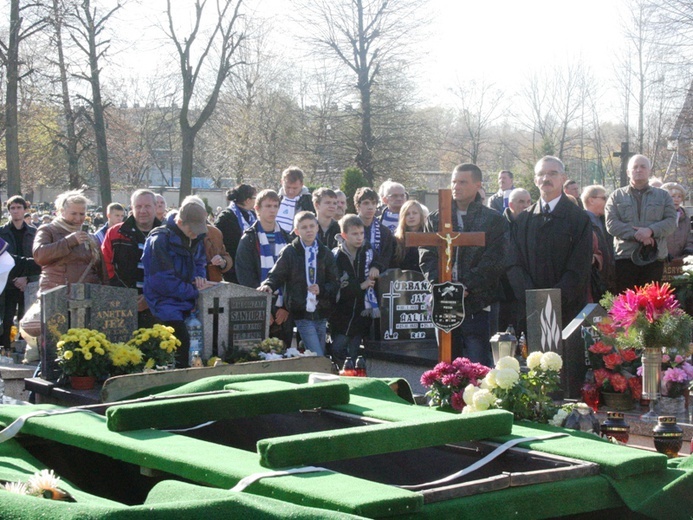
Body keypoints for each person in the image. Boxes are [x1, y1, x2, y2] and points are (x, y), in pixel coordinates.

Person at [420, 163, 508, 366]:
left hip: (477, 301)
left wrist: (466, 286)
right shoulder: (436, 219)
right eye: (453, 182)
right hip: (444, 300)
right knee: (447, 363)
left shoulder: (492, 220)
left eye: (462, 182)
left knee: (478, 362)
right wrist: (440, 285)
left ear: (478, 185)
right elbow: (427, 255)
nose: (456, 186)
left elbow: (495, 259)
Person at [508, 156, 592, 329]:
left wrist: (555, 298)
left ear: (563, 178)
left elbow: (580, 265)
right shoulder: (523, 220)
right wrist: (532, 297)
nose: (546, 178)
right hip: (530, 309)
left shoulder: (578, 218)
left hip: (567, 309)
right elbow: (514, 263)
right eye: (541, 174)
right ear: (535, 180)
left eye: (553, 173)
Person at [142, 195, 216, 367]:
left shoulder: (194, 237)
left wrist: (200, 278)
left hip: (187, 303)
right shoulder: (159, 241)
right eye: (193, 229)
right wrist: (194, 290)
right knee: (180, 353)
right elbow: (162, 282)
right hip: (165, 305)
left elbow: (199, 262)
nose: (196, 233)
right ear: (180, 222)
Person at [258, 211, 338, 356]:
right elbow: (277, 273)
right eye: (304, 227)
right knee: (318, 355)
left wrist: (322, 290)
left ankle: (306, 359)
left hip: (321, 309)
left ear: (317, 228)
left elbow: (334, 282)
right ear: (296, 231)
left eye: (311, 226)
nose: (309, 230)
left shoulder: (325, 253)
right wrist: (269, 284)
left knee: (317, 353)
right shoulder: (290, 251)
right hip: (301, 310)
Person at [605, 154, 677, 293]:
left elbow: (671, 222)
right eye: (635, 167)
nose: (639, 170)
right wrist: (638, 235)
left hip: (654, 257)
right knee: (626, 305)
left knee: (652, 305)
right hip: (625, 258)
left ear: (649, 170)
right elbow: (611, 223)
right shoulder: (616, 196)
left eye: (643, 166)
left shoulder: (663, 196)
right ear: (628, 172)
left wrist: (650, 231)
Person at [236, 190, 293, 348]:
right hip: (258, 307)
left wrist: (285, 307)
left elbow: (293, 275)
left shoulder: (287, 238)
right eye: (268, 206)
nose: (272, 210)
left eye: (276, 206)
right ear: (257, 209)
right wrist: (262, 309)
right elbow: (245, 277)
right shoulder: (249, 239)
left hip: (284, 308)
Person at [101, 189, 162, 328]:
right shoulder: (115, 233)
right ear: (131, 208)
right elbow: (106, 266)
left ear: (155, 207)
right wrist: (126, 296)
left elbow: (172, 271)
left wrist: (150, 297)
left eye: (147, 206)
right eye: (138, 206)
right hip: (121, 303)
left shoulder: (166, 234)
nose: (142, 211)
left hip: (157, 305)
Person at [33, 190, 106, 295]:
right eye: (73, 213)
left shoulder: (90, 237)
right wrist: (69, 242)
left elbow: (101, 269)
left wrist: (105, 292)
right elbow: (39, 255)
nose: (78, 218)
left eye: (82, 214)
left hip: (88, 295)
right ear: (62, 211)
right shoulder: (48, 230)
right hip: (57, 295)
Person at [330, 214, 375, 362]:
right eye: (354, 234)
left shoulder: (367, 251)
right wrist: (361, 286)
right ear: (344, 235)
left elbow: (380, 260)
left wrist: (376, 267)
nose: (359, 237)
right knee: (337, 349)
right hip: (342, 314)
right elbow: (337, 288)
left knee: (354, 354)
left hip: (361, 314)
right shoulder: (337, 256)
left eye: (361, 233)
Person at [0, 196, 41, 349]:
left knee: (28, 318)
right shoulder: (1, 233)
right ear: (9, 210)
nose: (16, 211)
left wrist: (27, 278)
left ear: (25, 210)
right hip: (8, 283)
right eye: (13, 208)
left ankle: (26, 348)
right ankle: (5, 347)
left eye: (19, 208)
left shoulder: (34, 232)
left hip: (29, 283)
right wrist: (13, 279)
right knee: (7, 317)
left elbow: (37, 258)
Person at [214, 184, 257, 283]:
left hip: (251, 266)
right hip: (233, 268)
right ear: (248, 200)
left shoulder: (253, 215)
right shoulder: (226, 217)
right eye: (255, 197)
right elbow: (216, 240)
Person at [582, 185, 615, 296]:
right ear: (591, 200)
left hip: (608, 278)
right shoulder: (582, 222)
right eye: (604, 197)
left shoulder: (605, 221)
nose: (608, 200)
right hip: (593, 281)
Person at [354, 187, 395, 271]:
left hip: (378, 277)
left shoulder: (384, 231)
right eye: (366, 203)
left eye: (373, 203)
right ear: (358, 206)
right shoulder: (350, 228)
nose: (370, 207)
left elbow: (386, 256)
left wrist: (377, 266)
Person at [392, 199, 428, 272]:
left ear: (421, 215)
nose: (411, 216)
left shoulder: (428, 237)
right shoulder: (395, 240)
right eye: (407, 214)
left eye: (414, 213)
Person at [277, 166, 314, 233]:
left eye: (295, 188)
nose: (291, 191)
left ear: (302, 184)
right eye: (288, 187)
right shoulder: (276, 199)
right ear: (282, 182)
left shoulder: (308, 202)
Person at [661, 182, 693, 260]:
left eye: (679, 196)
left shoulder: (685, 218)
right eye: (673, 196)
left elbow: (689, 237)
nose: (676, 199)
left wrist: (688, 250)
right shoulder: (657, 216)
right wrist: (662, 253)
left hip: (681, 261)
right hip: (661, 260)